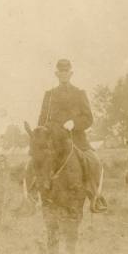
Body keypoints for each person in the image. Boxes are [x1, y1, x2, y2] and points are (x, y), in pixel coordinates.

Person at [37, 59, 107, 212]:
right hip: (54, 142)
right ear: (56, 74)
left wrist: (74, 123)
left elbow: (88, 118)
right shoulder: (49, 95)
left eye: (66, 72)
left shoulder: (79, 93)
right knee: (35, 162)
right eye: (60, 72)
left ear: (71, 73)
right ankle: (30, 197)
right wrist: (45, 131)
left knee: (94, 162)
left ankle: (95, 197)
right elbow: (41, 120)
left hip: (76, 140)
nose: (63, 74)